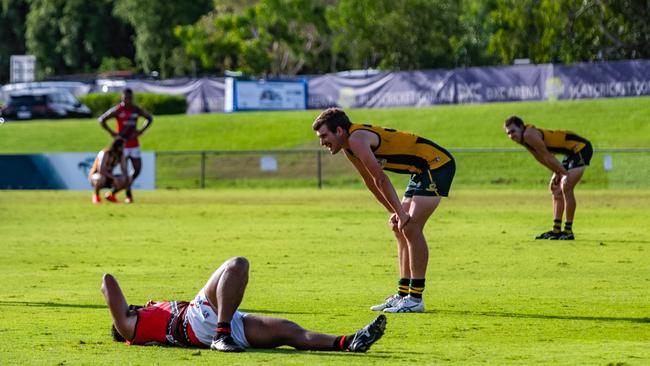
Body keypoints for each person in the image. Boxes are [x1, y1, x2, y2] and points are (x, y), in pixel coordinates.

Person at [312, 108, 456, 313]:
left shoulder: (356, 139)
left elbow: (380, 178)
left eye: (324, 136)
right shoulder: (349, 147)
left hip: (437, 164)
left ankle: (415, 299)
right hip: (419, 171)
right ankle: (403, 293)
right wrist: (395, 212)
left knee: (411, 228)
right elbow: (370, 182)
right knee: (399, 227)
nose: (322, 142)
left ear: (339, 131)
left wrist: (402, 213)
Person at [102, 256, 386, 353]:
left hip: (212, 325)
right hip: (198, 322)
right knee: (237, 265)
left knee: (288, 331)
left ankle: (349, 342)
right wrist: (123, 315)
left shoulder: (147, 318)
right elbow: (108, 282)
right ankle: (222, 334)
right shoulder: (131, 329)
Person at [503, 116, 593, 240]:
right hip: (570, 153)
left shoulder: (529, 134)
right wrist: (557, 172)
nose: (511, 135)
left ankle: (568, 231)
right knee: (556, 189)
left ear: (521, 127)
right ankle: (556, 230)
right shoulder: (525, 140)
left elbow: (547, 156)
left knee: (566, 185)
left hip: (581, 148)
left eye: (513, 131)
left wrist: (562, 173)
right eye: (508, 133)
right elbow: (540, 158)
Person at [98, 88, 153, 203]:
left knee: (137, 170)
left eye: (129, 98)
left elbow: (149, 118)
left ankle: (114, 191)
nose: (127, 100)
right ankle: (129, 196)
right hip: (122, 146)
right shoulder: (118, 110)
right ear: (122, 98)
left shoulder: (136, 110)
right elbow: (102, 119)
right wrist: (112, 132)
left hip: (134, 144)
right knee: (125, 171)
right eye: (125, 98)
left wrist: (141, 130)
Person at [88, 138, 130, 204]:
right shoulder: (106, 153)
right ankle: (96, 196)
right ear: (117, 146)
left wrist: (125, 178)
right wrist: (113, 178)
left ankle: (110, 195)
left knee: (128, 179)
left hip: (108, 177)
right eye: (122, 146)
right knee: (101, 178)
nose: (123, 148)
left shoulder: (120, 155)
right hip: (96, 176)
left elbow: (124, 168)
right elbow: (101, 170)